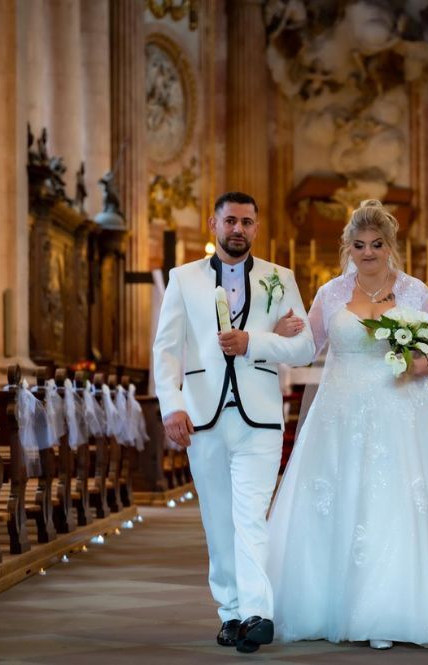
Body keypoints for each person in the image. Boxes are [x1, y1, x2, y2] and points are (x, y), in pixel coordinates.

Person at [267, 199, 428, 650]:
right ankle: (327, 603)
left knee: (394, 502)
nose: (368, 253)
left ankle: (395, 607)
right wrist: (285, 334)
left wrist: (415, 366)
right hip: (338, 413)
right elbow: (309, 348)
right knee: (337, 500)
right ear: (348, 247)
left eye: (376, 244)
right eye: (359, 245)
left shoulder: (417, 293)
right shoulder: (330, 294)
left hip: (399, 412)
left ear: (390, 246)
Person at [153, 192, 315, 654]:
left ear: (257, 228)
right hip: (201, 416)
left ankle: (257, 613)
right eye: (230, 221)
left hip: (259, 418)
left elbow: (304, 349)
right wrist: (171, 406)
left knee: (251, 517)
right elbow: (166, 350)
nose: (238, 229)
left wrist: (255, 342)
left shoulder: (279, 279)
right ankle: (230, 611)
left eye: (246, 221)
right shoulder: (183, 279)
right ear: (213, 224)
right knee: (218, 521)